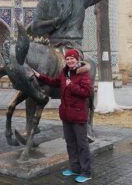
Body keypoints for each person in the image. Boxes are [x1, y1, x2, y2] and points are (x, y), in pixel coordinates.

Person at [33, 48, 93, 183]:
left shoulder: (82, 73)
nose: (70, 61)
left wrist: (71, 86)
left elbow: (87, 92)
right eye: (67, 59)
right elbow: (55, 82)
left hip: (78, 115)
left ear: (77, 59)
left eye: (72, 58)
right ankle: (74, 168)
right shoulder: (65, 72)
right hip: (66, 115)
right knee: (70, 143)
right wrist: (40, 76)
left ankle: (86, 172)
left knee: (82, 145)